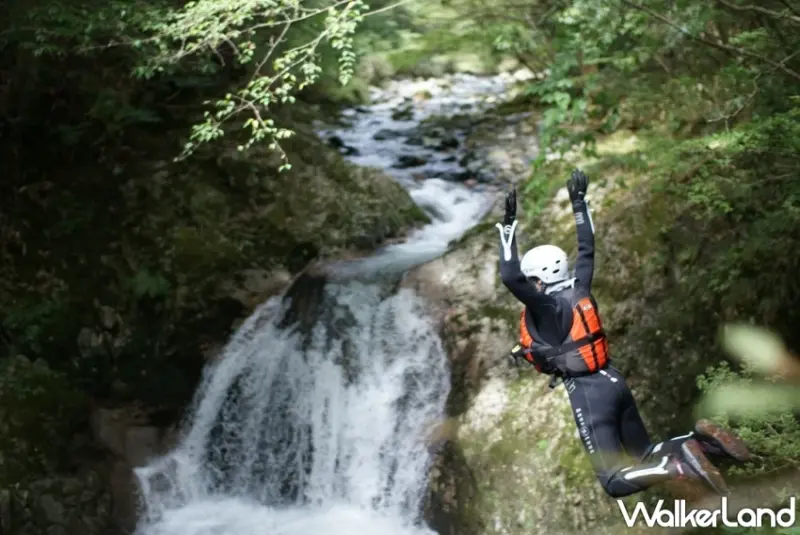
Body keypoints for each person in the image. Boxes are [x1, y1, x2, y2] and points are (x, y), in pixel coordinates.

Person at [495, 169, 752, 498]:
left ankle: (678, 466)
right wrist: (578, 202)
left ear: (539, 282)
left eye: (532, 282)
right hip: (614, 380)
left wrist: (507, 229)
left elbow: (509, 277)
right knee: (645, 453)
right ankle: (703, 442)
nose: (530, 287)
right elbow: (586, 249)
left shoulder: (548, 309)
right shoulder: (580, 288)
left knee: (614, 481)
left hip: (590, 393)